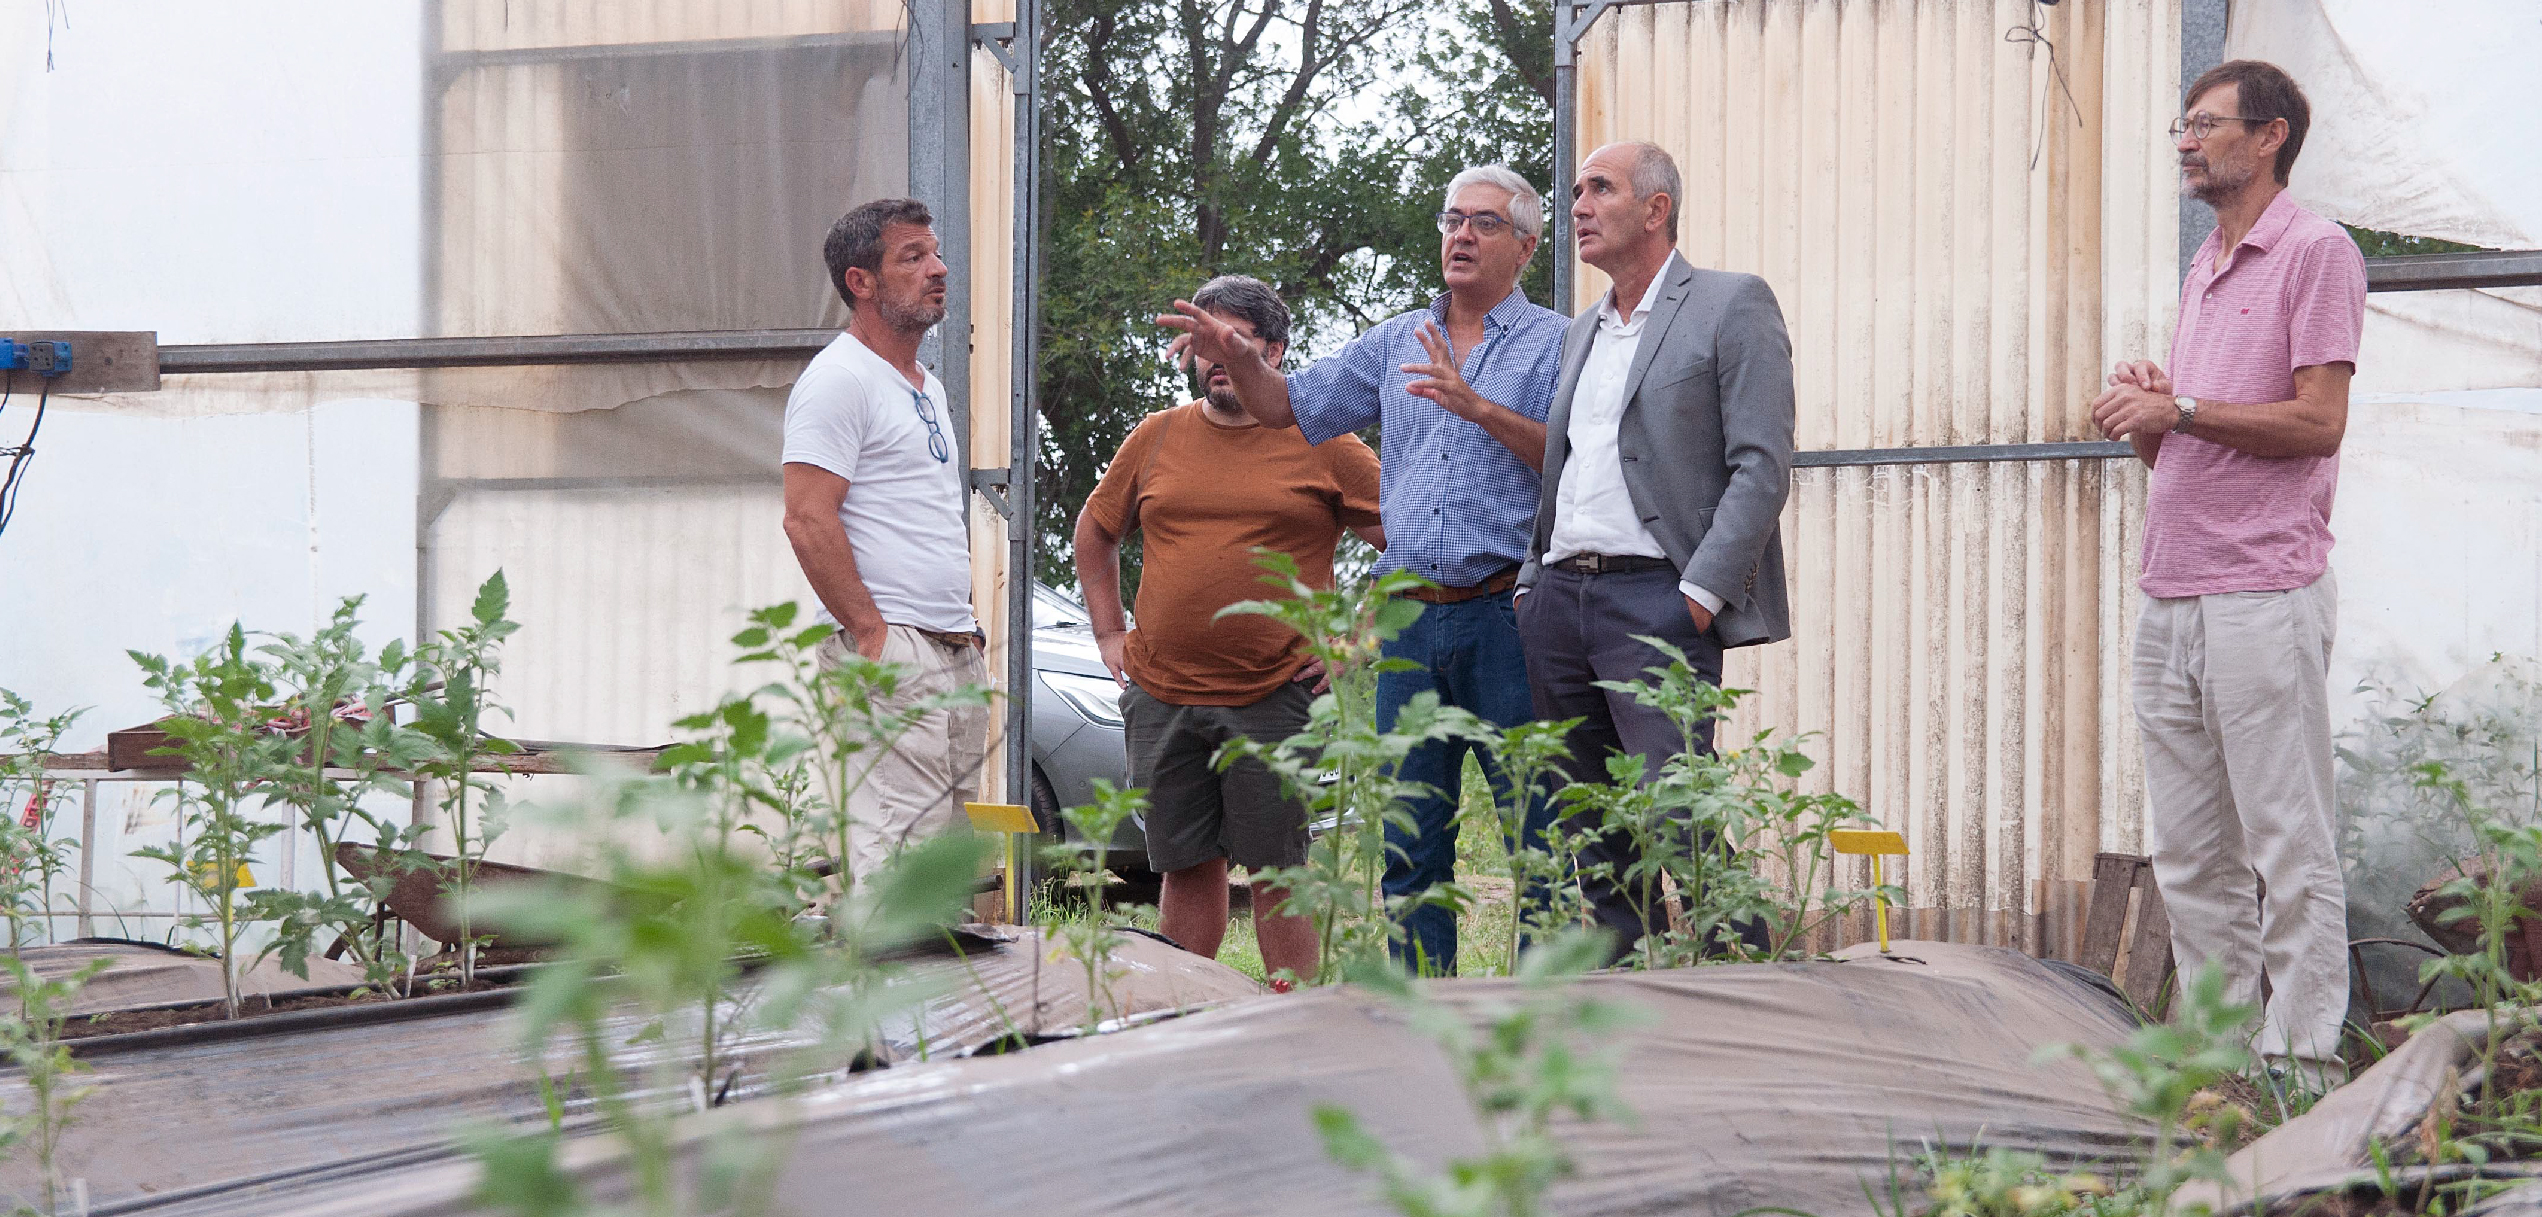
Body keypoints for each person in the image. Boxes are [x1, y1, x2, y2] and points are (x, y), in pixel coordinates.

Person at [1157, 165, 1570, 977]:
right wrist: (1240, 356)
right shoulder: (1394, 341)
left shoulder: (1559, 341)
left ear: (1525, 246)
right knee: (1412, 838)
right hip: (1411, 619)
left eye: (1484, 223)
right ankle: (1420, 1020)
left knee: (1537, 832)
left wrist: (1476, 405)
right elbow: (1286, 406)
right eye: (1453, 220)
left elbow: (1575, 458)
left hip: (1510, 613)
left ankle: (1539, 1020)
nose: (1461, 235)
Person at [2090, 60, 2364, 1085]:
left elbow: (2317, 422)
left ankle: (2301, 1066)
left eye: (2205, 125)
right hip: (2172, 586)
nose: (2184, 141)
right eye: (2183, 125)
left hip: (2262, 589)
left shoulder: (2316, 252)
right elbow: (2183, 451)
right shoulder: (2201, 266)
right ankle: (2222, 1064)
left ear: (2270, 136)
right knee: (2189, 855)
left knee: (2286, 842)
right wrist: (2145, 411)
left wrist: (2185, 410)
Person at [1516, 141, 1795, 961]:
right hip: (1559, 601)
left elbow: (1762, 462)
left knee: (1680, 816)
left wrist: (1701, 593)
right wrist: (1533, 582)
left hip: (1658, 600)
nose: (1578, 206)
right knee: (1594, 832)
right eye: (1575, 191)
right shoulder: (1581, 332)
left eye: (1598, 188)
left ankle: (1747, 996)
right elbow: (1563, 466)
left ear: (1655, 207)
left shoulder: (1730, 303)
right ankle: (1628, 1010)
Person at [1078, 275, 1384, 984]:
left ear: (1274, 350)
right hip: (1163, 694)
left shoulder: (1325, 441)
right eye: (1204, 341)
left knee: (1280, 872)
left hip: (1275, 692)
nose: (1217, 356)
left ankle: (1293, 1021)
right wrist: (1106, 632)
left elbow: (1409, 540)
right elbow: (1094, 535)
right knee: (1185, 868)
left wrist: (1355, 637)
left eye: (1235, 340)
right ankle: (1184, 1017)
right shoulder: (1155, 437)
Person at [780, 198, 989, 884]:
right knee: (896, 858)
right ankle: (883, 988)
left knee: (943, 867)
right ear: (860, 281)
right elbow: (808, 518)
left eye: (935, 253)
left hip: (950, 643)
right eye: (914, 257)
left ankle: (934, 995)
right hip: (891, 643)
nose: (939, 268)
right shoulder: (838, 379)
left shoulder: (926, 385)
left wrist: (963, 636)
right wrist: (871, 635)